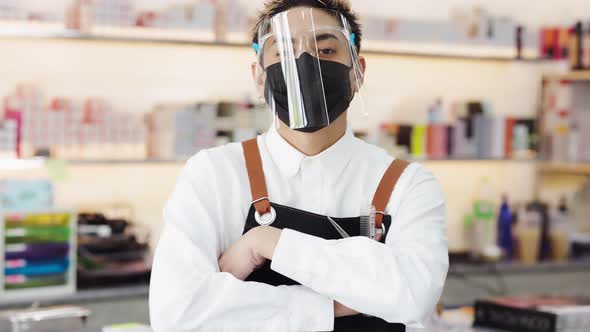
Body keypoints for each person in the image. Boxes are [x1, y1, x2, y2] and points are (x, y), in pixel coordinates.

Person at [149, 1, 448, 331]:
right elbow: (178, 313)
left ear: (358, 72)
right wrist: (339, 303)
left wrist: (267, 242)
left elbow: (415, 294)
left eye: (326, 50)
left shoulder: (408, 184)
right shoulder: (214, 174)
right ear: (258, 76)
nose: (305, 64)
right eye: (284, 52)